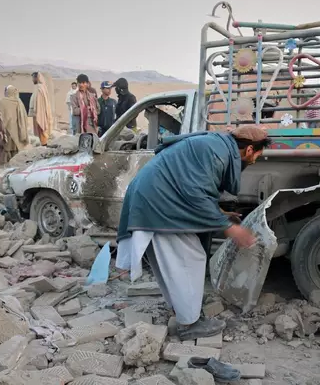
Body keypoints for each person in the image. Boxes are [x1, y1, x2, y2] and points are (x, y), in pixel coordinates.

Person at [115, 125, 269, 340]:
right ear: (250, 149)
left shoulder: (217, 146)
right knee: (189, 258)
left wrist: (221, 214)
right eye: (257, 156)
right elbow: (196, 194)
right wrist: (229, 227)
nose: (254, 161)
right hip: (160, 202)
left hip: (156, 198)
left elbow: (196, 187)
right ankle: (189, 325)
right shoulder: (217, 153)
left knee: (173, 263)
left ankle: (183, 311)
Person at [0, 85, 29, 163]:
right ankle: (14, 161)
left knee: (6, 146)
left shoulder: (3, 101)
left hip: (7, 128)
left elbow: (0, 115)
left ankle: (5, 162)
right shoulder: (19, 102)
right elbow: (24, 117)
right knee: (15, 146)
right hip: (16, 128)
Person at [28, 72, 53, 146]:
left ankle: (44, 144)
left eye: (33, 78)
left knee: (42, 128)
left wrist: (37, 112)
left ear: (36, 78)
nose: (32, 80)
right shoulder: (40, 87)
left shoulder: (40, 88)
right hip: (39, 112)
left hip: (40, 112)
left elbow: (39, 102)